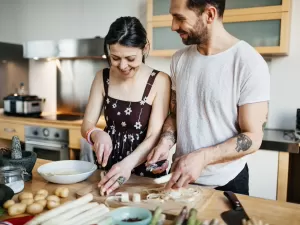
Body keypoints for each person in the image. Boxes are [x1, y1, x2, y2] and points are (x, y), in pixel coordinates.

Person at [146, 0, 270, 195]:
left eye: (179, 18)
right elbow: (176, 113)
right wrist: (165, 142)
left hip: (227, 183)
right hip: (181, 178)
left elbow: (253, 137)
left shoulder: (248, 63)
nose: (173, 26)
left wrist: (202, 158)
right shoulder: (179, 59)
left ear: (210, 15)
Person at [81, 16, 171, 195]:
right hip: (109, 170)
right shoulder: (102, 78)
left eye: (130, 58)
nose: (122, 66)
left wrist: (128, 165)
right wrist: (97, 134)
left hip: (144, 169)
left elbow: (154, 135)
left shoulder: (159, 81)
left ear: (145, 48)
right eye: (115, 58)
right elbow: (86, 125)